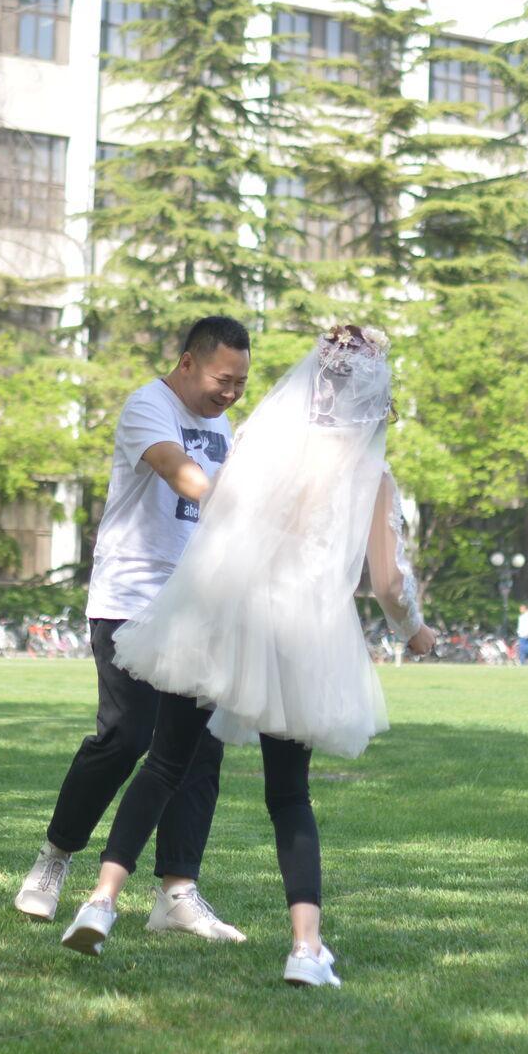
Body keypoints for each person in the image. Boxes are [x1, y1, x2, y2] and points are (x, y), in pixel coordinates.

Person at [60, 325, 433, 987]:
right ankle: (305, 948)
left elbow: (219, 518)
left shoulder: (260, 443)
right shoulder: (370, 476)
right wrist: (416, 633)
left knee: (165, 763)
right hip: (300, 632)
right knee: (289, 794)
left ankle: (101, 900)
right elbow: (388, 584)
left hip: (222, 614)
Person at [12, 316, 252, 943]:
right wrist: (234, 504)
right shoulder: (149, 405)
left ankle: (177, 893)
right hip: (131, 599)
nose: (231, 394)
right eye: (223, 380)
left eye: (241, 384)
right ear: (187, 363)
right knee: (125, 736)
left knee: (200, 749)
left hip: (199, 603)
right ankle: (55, 856)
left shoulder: (224, 425)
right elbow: (176, 469)